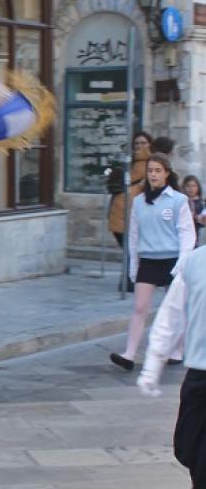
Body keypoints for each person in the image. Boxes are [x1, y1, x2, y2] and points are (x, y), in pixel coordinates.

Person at [110, 153, 195, 371]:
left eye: (158, 170)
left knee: (175, 308)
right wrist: (133, 265)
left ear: (166, 173)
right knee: (140, 307)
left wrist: (182, 262)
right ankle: (129, 355)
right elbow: (134, 236)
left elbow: (187, 234)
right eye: (150, 171)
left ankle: (177, 350)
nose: (153, 175)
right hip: (148, 260)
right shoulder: (139, 202)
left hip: (172, 260)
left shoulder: (178, 200)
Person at [137, 246, 206, 487]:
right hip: (201, 376)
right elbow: (171, 316)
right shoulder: (194, 262)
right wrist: (153, 365)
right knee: (189, 447)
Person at [108, 132, 152, 292]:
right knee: (131, 248)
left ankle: (130, 280)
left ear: (150, 144)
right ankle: (129, 280)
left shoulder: (151, 163)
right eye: (137, 143)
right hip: (122, 209)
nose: (140, 146)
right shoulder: (129, 161)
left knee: (132, 249)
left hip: (133, 210)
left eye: (143, 143)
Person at [183, 175, 205, 246]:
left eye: (194, 186)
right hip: (181, 236)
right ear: (184, 187)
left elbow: (202, 223)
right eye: (188, 186)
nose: (191, 189)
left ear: (198, 187)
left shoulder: (201, 203)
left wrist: (200, 219)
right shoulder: (181, 202)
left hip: (195, 238)